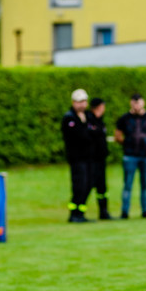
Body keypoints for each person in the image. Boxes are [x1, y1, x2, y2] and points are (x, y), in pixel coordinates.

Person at [114, 93, 146, 219]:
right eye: (134, 102)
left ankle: (145, 210)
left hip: (145, 156)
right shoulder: (125, 118)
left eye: (139, 102)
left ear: (143, 103)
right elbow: (118, 135)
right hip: (130, 156)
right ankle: (125, 211)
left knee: (145, 184)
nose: (137, 105)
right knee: (127, 184)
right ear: (131, 103)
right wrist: (126, 143)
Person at [61, 88, 91, 223]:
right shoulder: (69, 118)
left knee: (87, 185)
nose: (82, 105)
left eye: (84, 101)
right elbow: (79, 136)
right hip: (76, 158)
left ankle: (81, 212)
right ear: (74, 102)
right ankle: (74, 213)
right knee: (79, 185)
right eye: (79, 102)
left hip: (87, 157)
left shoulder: (87, 116)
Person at [85, 97, 112, 220]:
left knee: (102, 187)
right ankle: (79, 212)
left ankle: (104, 212)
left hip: (101, 159)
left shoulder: (100, 120)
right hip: (92, 159)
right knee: (88, 184)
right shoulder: (88, 120)